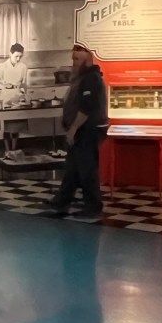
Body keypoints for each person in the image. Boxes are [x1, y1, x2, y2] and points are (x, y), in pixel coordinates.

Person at [51, 44, 108, 218]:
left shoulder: (91, 78)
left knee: (86, 168)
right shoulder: (82, 77)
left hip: (88, 129)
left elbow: (86, 107)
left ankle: (93, 206)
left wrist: (73, 128)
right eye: (73, 59)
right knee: (73, 167)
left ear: (88, 58)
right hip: (82, 129)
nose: (74, 63)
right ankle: (62, 200)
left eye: (77, 59)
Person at [0, 43, 28, 154]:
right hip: (6, 97)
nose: (18, 59)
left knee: (16, 126)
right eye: (16, 56)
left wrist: (24, 92)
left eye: (20, 56)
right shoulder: (2, 66)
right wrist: (4, 86)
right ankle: (7, 150)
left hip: (18, 97)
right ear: (10, 54)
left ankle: (14, 150)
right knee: (7, 126)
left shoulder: (23, 67)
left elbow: (24, 83)